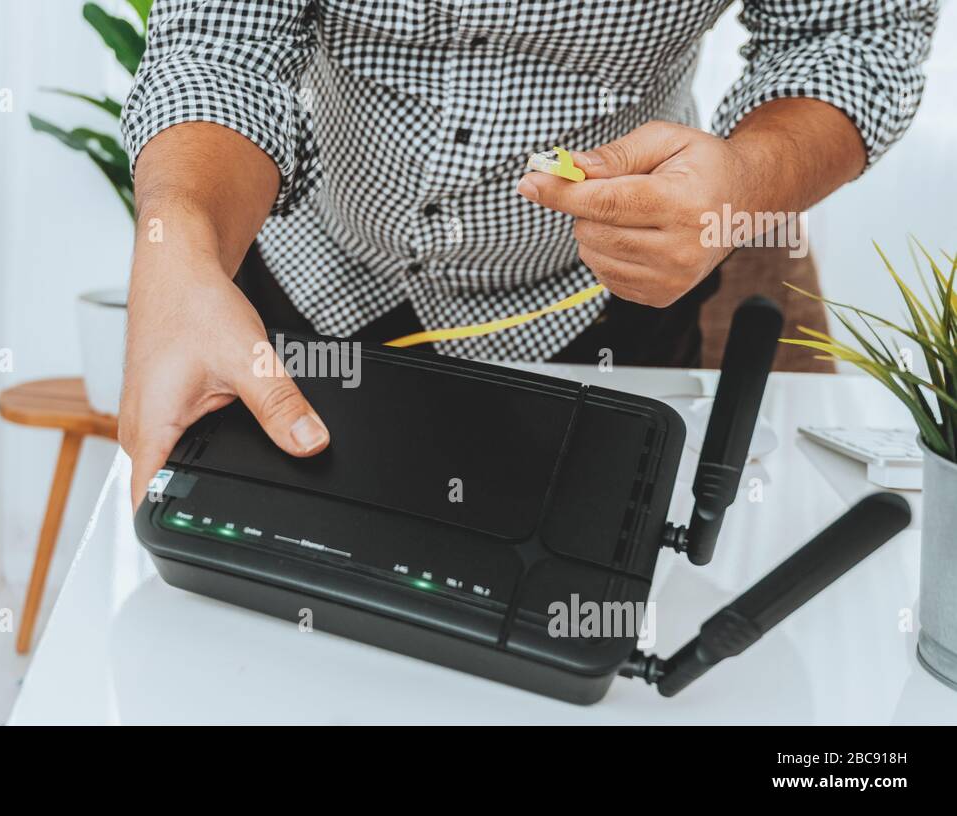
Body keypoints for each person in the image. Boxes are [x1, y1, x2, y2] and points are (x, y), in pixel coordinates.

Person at [117, 0, 937, 507]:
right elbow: (224, 50)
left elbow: (855, 31)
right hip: (303, 283)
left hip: (599, 314)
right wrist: (182, 239)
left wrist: (747, 183)